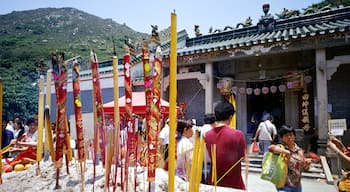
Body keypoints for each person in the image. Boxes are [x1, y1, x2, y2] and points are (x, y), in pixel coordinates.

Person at [204, 100, 246, 190]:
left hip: (214, 182)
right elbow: (242, 157)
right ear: (231, 117)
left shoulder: (207, 135)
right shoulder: (238, 134)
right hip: (234, 183)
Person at [268, 125, 311, 192]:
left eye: (291, 135)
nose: (289, 137)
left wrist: (307, 165)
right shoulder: (281, 148)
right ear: (282, 138)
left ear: (294, 136)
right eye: (286, 135)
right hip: (283, 185)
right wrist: (286, 151)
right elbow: (271, 148)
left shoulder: (299, 151)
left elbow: (303, 169)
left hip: (297, 186)